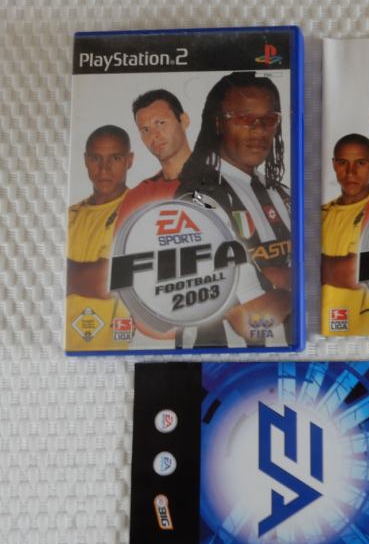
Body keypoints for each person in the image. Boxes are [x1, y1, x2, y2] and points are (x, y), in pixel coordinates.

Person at [177, 72, 292, 347]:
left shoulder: (283, 194)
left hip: (286, 357)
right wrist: (296, 286)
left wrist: (278, 283)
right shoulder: (197, 198)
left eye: (268, 119)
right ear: (218, 123)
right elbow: (251, 322)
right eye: (244, 118)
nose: (259, 130)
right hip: (218, 360)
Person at [65, 125, 133, 351]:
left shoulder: (137, 210)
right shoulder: (69, 215)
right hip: (64, 346)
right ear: (86, 160)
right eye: (96, 158)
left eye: (115, 158)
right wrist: (82, 275)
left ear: (129, 161)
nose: (104, 168)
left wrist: (61, 270)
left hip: (111, 351)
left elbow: (106, 282)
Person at [321, 134, 369, 336]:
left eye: (360, 163)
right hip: (314, 333)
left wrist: (303, 266)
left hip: (356, 337)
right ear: (334, 165)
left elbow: (354, 274)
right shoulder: (320, 214)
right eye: (342, 163)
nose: (350, 172)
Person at [114, 89, 191, 228]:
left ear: (184, 120)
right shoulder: (137, 198)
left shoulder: (220, 181)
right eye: (145, 130)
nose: (154, 135)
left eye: (160, 123)